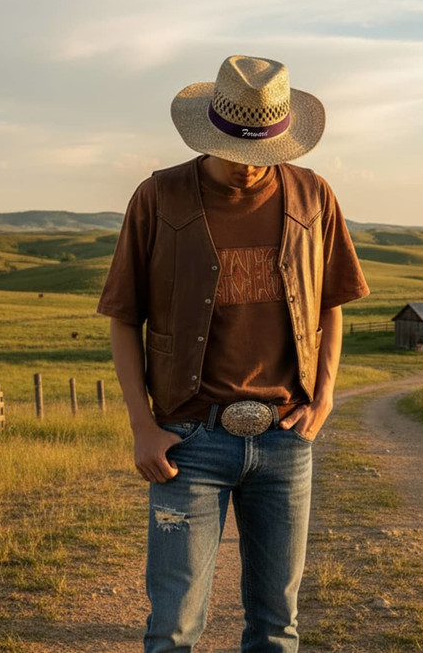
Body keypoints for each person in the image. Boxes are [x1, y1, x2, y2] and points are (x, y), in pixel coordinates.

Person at [97, 55, 369, 653]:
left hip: (284, 440)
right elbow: (122, 316)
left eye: (265, 155)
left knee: (277, 628)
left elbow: (331, 304)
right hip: (187, 443)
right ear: (210, 133)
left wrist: (323, 401)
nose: (252, 168)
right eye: (238, 152)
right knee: (171, 629)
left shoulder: (313, 195)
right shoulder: (159, 197)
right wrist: (143, 426)